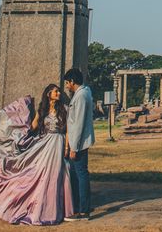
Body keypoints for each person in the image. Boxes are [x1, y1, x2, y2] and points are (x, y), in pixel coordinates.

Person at [0, 84, 75, 225]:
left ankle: (56, 210)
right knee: (43, 174)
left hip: (58, 142)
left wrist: (67, 147)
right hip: (45, 143)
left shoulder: (64, 110)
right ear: (48, 94)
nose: (58, 93)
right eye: (55, 91)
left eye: (59, 91)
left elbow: (68, 131)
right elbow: (33, 126)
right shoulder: (43, 110)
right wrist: (17, 130)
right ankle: (41, 208)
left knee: (57, 175)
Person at [63, 68, 95, 220]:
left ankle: (83, 211)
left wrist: (73, 147)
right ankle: (80, 207)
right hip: (78, 143)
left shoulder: (81, 96)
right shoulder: (84, 92)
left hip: (79, 144)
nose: (66, 86)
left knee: (80, 176)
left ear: (72, 81)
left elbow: (79, 123)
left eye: (67, 83)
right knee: (78, 176)